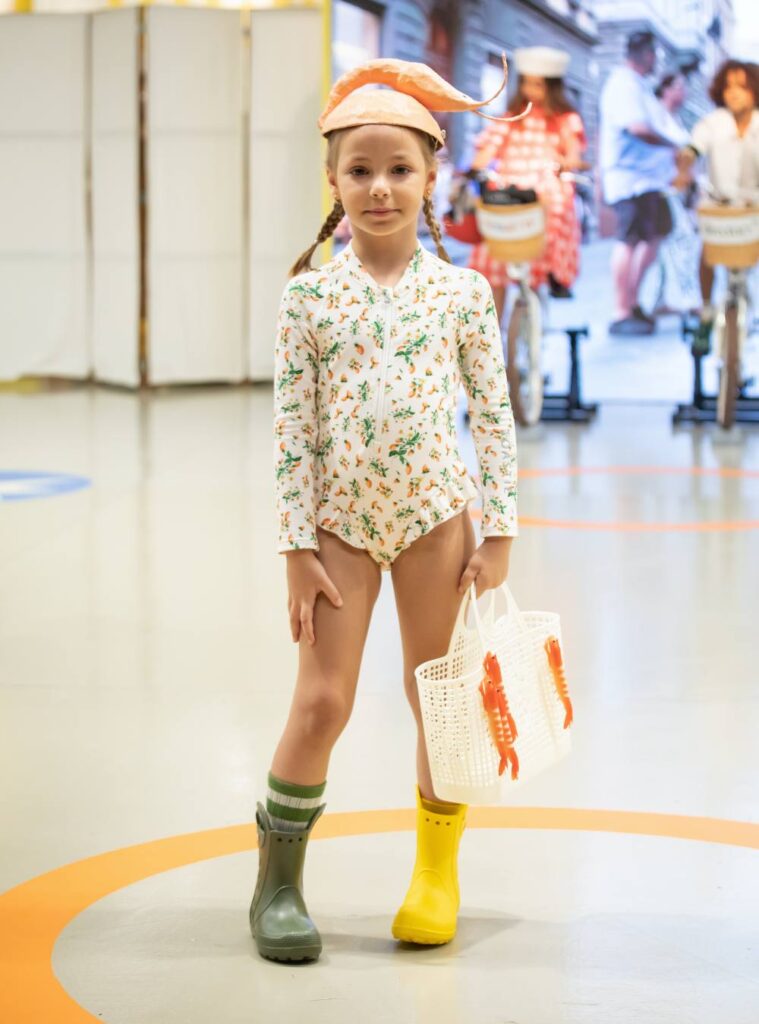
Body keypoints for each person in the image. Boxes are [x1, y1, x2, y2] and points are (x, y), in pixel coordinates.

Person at [250, 56, 519, 963]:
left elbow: (492, 415)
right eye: (358, 170)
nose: (379, 188)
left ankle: (435, 878)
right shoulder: (309, 297)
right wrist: (296, 546)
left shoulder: (463, 292)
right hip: (339, 533)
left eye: (399, 168)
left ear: (431, 176)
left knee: (436, 699)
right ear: (331, 180)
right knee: (322, 702)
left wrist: (502, 530)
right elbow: (292, 432)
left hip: (438, 524)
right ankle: (278, 887)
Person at [467, 46, 587, 326]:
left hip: (543, 189)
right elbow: (488, 148)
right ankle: (491, 335)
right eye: (528, 83)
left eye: (539, 85)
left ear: (552, 87)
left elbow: (574, 155)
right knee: (493, 246)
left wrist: (566, 163)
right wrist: (472, 170)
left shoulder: (566, 120)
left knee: (554, 211)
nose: (532, 90)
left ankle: (551, 277)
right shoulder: (512, 116)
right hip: (510, 191)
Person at [599, 31, 686, 335]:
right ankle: (621, 310)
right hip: (631, 179)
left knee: (652, 236)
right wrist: (671, 146)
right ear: (647, 54)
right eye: (654, 55)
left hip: (647, 181)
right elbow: (637, 128)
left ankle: (631, 301)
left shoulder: (638, 86)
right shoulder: (623, 84)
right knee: (629, 240)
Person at [676, 59, 759, 353]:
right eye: (728, 86)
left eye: (742, 86)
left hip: (754, 208)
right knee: (708, 252)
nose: (734, 93)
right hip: (719, 204)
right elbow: (692, 149)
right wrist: (684, 170)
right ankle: (707, 310)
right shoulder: (712, 123)